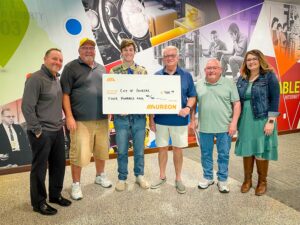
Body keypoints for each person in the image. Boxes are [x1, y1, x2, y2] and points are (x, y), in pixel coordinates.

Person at [60, 38, 112, 201]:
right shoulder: (70, 68)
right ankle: (76, 184)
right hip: (80, 121)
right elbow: (65, 94)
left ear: (95, 51)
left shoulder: (102, 69)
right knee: (79, 154)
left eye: (91, 48)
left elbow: (110, 92)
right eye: (85, 48)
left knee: (101, 151)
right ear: (79, 50)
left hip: (102, 119)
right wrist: (68, 116)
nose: (89, 50)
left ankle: (100, 175)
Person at [21, 48, 71, 215]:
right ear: (45, 59)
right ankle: (39, 203)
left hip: (57, 130)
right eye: (54, 59)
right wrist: (37, 130)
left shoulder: (56, 78)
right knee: (40, 169)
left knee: (59, 165)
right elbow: (27, 108)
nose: (58, 62)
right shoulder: (35, 79)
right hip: (41, 132)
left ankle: (55, 195)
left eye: (60, 60)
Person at [149, 46, 196, 194]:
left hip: (179, 120)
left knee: (177, 149)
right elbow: (150, 99)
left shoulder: (186, 76)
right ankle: (162, 176)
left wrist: (188, 108)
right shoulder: (156, 76)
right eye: (166, 56)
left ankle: (178, 178)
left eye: (172, 55)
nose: (169, 58)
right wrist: (151, 119)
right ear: (163, 58)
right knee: (162, 148)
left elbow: (193, 96)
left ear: (178, 57)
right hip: (161, 120)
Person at [235, 49, 280, 196]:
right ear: (245, 63)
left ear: (260, 60)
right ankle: (247, 180)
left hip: (262, 119)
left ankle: (262, 182)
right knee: (247, 150)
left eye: (254, 59)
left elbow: (275, 99)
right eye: (248, 60)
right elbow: (236, 101)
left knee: (260, 151)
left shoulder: (269, 76)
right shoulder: (242, 79)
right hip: (245, 120)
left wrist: (271, 121)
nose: (251, 62)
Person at [195, 58, 241, 193]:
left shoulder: (229, 83)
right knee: (205, 154)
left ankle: (222, 180)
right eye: (209, 68)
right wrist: (193, 119)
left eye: (215, 68)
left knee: (223, 155)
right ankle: (208, 177)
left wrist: (234, 123)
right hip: (205, 127)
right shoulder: (199, 84)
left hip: (225, 127)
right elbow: (193, 102)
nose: (212, 70)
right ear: (205, 71)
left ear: (220, 70)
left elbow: (237, 104)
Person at [110, 39, 149, 191]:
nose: (128, 52)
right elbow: (111, 95)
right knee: (122, 150)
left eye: (130, 50)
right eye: (125, 50)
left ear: (134, 52)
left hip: (139, 118)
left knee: (139, 149)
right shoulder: (114, 72)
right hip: (121, 118)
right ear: (121, 52)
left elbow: (147, 94)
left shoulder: (142, 71)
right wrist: (116, 108)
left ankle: (139, 175)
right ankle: (122, 177)